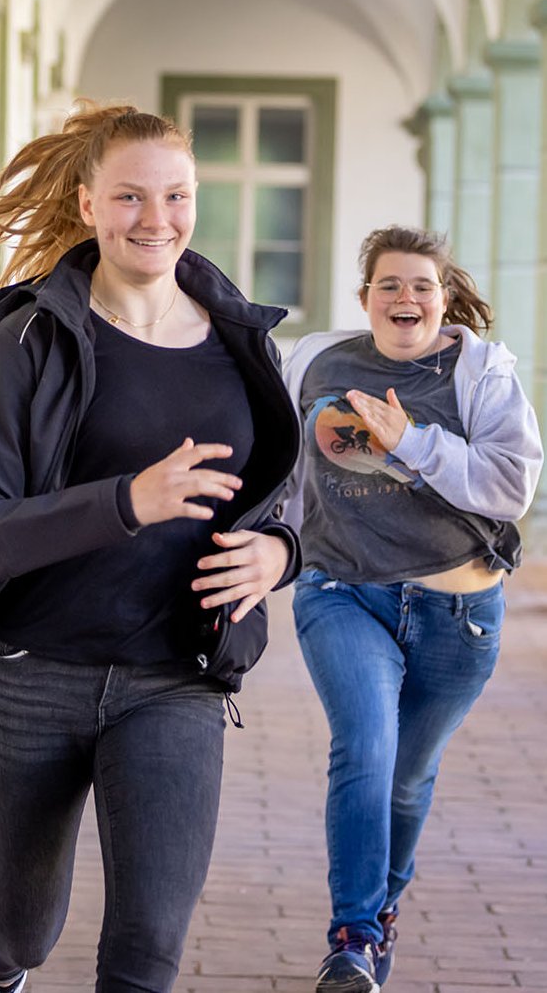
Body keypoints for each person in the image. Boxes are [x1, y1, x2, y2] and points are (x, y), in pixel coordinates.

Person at [0, 100, 302, 993]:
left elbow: (290, 497)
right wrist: (125, 503)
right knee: (26, 927)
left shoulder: (243, 344)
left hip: (176, 679)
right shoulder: (28, 341)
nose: (156, 219)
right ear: (88, 204)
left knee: (148, 948)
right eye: (130, 196)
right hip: (34, 673)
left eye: (176, 196)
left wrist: (280, 554)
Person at [282, 224, 544, 992]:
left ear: (445, 297)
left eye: (422, 285)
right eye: (389, 284)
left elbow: (509, 489)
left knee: (405, 778)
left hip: (456, 616)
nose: (406, 297)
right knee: (365, 749)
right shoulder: (318, 362)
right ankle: (353, 940)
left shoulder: (483, 374)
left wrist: (412, 440)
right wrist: (267, 548)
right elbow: (285, 474)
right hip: (342, 591)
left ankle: (382, 908)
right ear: (365, 297)